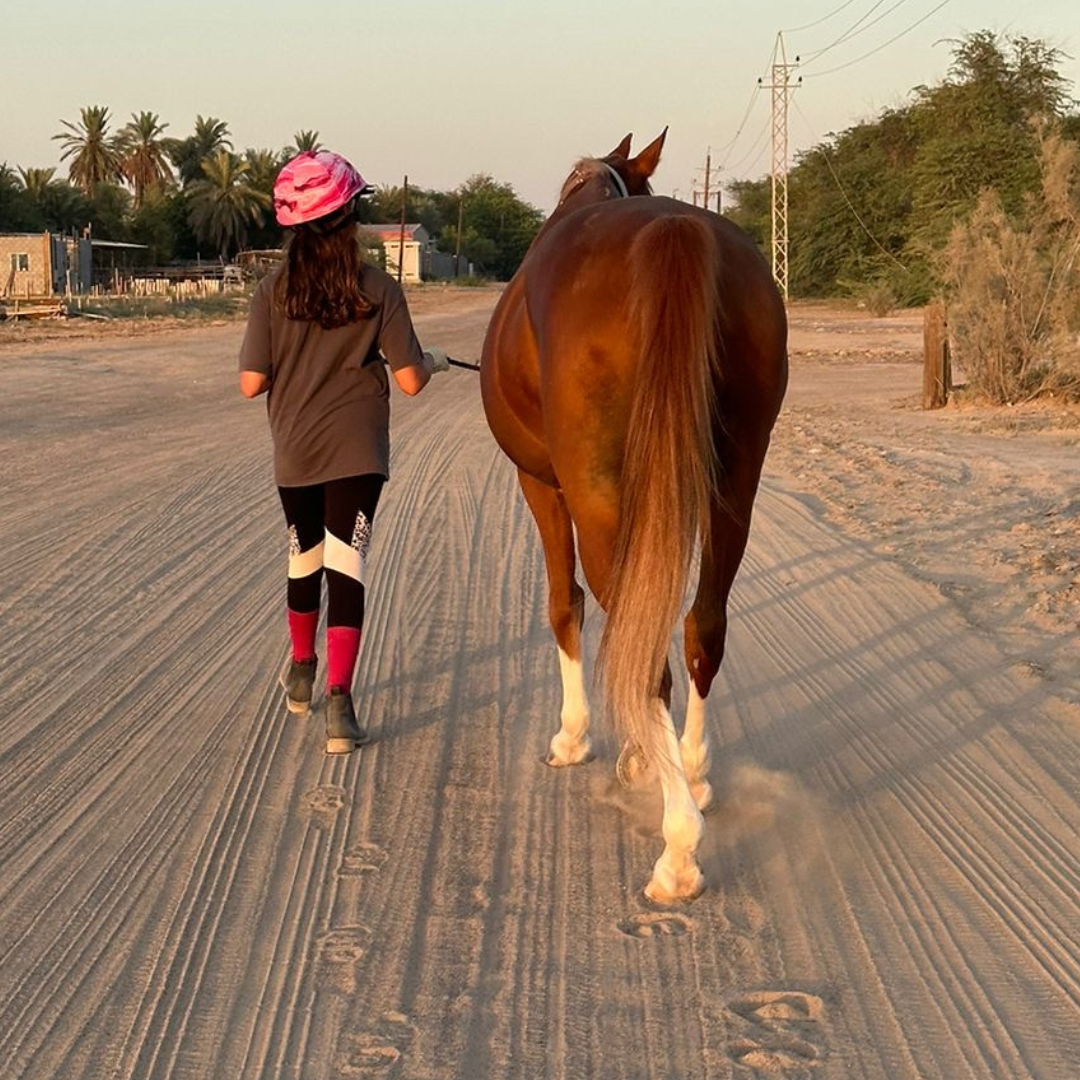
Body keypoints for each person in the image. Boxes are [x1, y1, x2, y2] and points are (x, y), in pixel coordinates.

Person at [239, 149, 449, 755]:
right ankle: (341, 706)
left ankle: (301, 667)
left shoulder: (271, 291)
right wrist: (427, 360)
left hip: (296, 451)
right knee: (346, 566)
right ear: (348, 218)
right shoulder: (378, 288)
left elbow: (251, 383)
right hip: (358, 452)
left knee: (303, 558)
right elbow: (410, 379)